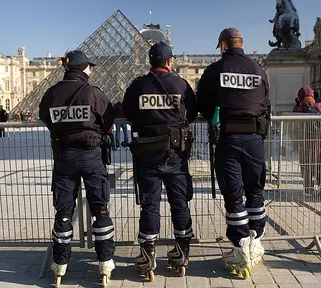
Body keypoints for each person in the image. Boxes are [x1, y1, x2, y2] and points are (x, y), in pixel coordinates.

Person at [196, 28, 270, 278]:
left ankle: (240, 247)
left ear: (224, 45)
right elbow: (267, 102)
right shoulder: (259, 69)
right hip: (255, 139)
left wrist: (213, 114)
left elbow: (202, 101)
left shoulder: (216, 70)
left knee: (234, 194)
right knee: (256, 190)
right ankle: (256, 240)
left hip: (228, 138)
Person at [39, 50, 115, 285]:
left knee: (63, 211)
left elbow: (45, 117)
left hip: (63, 157)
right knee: (100, 209)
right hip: (91, 156)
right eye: (90, 68)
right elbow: (109, 120)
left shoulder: (51, 94)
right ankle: (105, 261)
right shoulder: (93, 93)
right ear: (84, 69)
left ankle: (60, 263)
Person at [123, 41, 197, 279]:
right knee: (180, 203)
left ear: (150, 61)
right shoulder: (181, 84)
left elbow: (128, 113)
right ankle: (182, 251)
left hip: (147, 155)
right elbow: (192, 113)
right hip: (176, 153)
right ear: (169, 61)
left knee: (150, 205)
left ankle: (148, 253)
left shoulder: (138, 86)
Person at [292, 86, 321, 194]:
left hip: (303, 142)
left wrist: (294, 143)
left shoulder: (297, 109)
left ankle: (308, 188)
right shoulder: (319, 106)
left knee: (306, 165)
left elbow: (293, 127)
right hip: (320, 141)